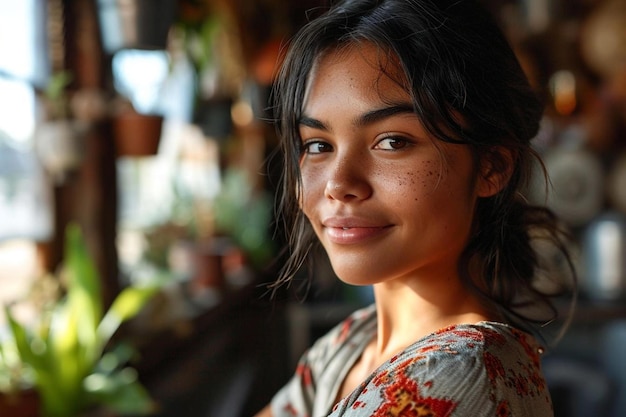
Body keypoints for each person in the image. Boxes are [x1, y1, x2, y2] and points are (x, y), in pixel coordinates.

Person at [256, 0, 576, 415]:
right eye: (318, 145)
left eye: (392, 141)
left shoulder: (463, 374)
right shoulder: (348, 347)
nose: (338, 184)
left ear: (491, 166)